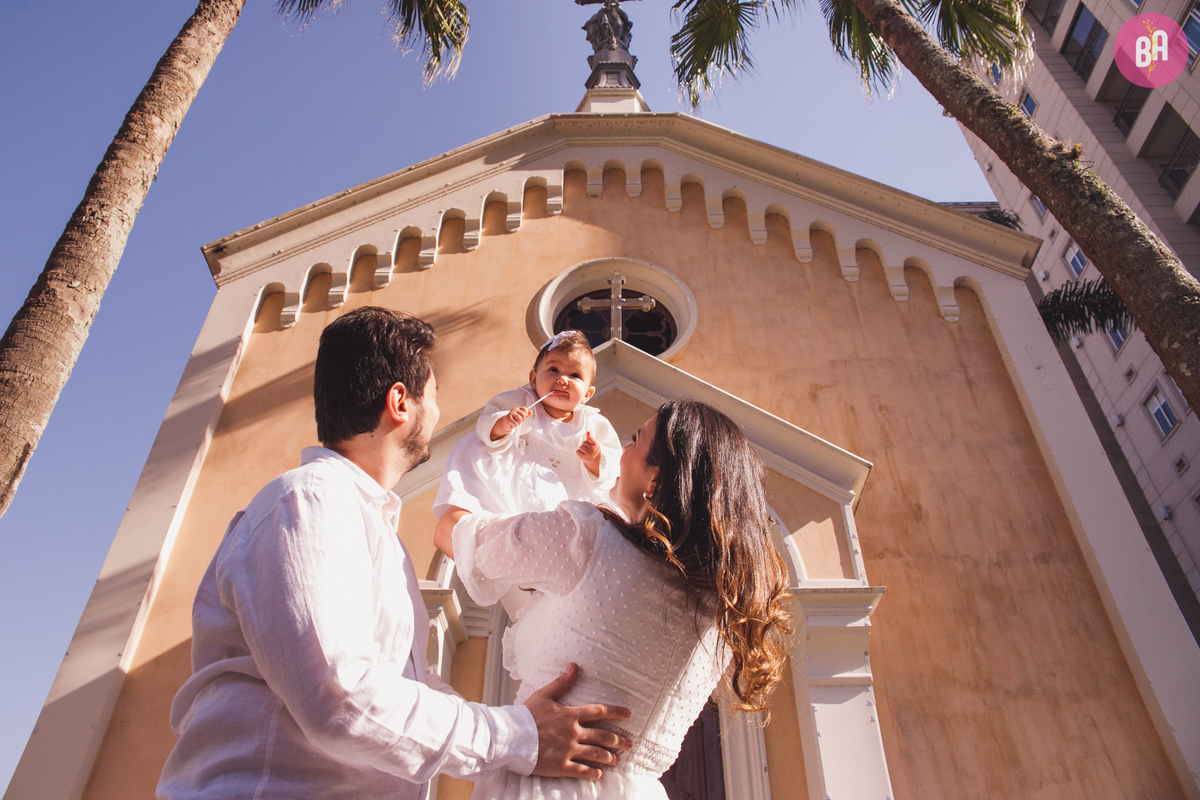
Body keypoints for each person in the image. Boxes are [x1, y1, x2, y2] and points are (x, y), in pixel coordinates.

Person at [157, 307, 631, 800]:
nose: (441, 414)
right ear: (400, 401)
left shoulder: (371, 527)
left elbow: (410, 681)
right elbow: (340, 696)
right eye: (436, 396)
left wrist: (520, 717)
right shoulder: (306, 502)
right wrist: (517, 735)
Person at [435, 400, 794, 799]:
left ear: (655, 477)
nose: (621, 450)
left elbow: (453, 534)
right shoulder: (723, 612)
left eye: (635, 441)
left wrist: (477, 450)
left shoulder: (587, 538)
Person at [434, 330, 621, 617]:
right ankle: (501, 558)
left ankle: (546, 582)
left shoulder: (593, 423)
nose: (563, 379)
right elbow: (487, 424)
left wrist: (595, 459)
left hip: (566, 487)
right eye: (554, 369)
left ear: (588, 393)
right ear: (534, 378)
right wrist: (504, 424)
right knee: (507, 515)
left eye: (575, 376)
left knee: (568, 537)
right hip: (517, 472)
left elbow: (612, 469)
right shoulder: (521, 400)